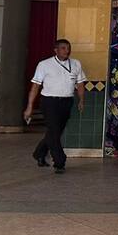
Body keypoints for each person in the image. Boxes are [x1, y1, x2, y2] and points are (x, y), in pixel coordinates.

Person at [25, 38, 86, 174]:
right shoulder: (44, 65)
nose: (67, 51)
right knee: (53, 131)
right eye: (63, 48)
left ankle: (39, 153)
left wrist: (81, 100)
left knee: (55, 132)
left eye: (68, 48)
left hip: (66, 101)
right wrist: (29, 106)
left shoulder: (76, 64)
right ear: (56, 50)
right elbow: (35, 86)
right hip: (49, 102)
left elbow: (80, 83)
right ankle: (59, 162)